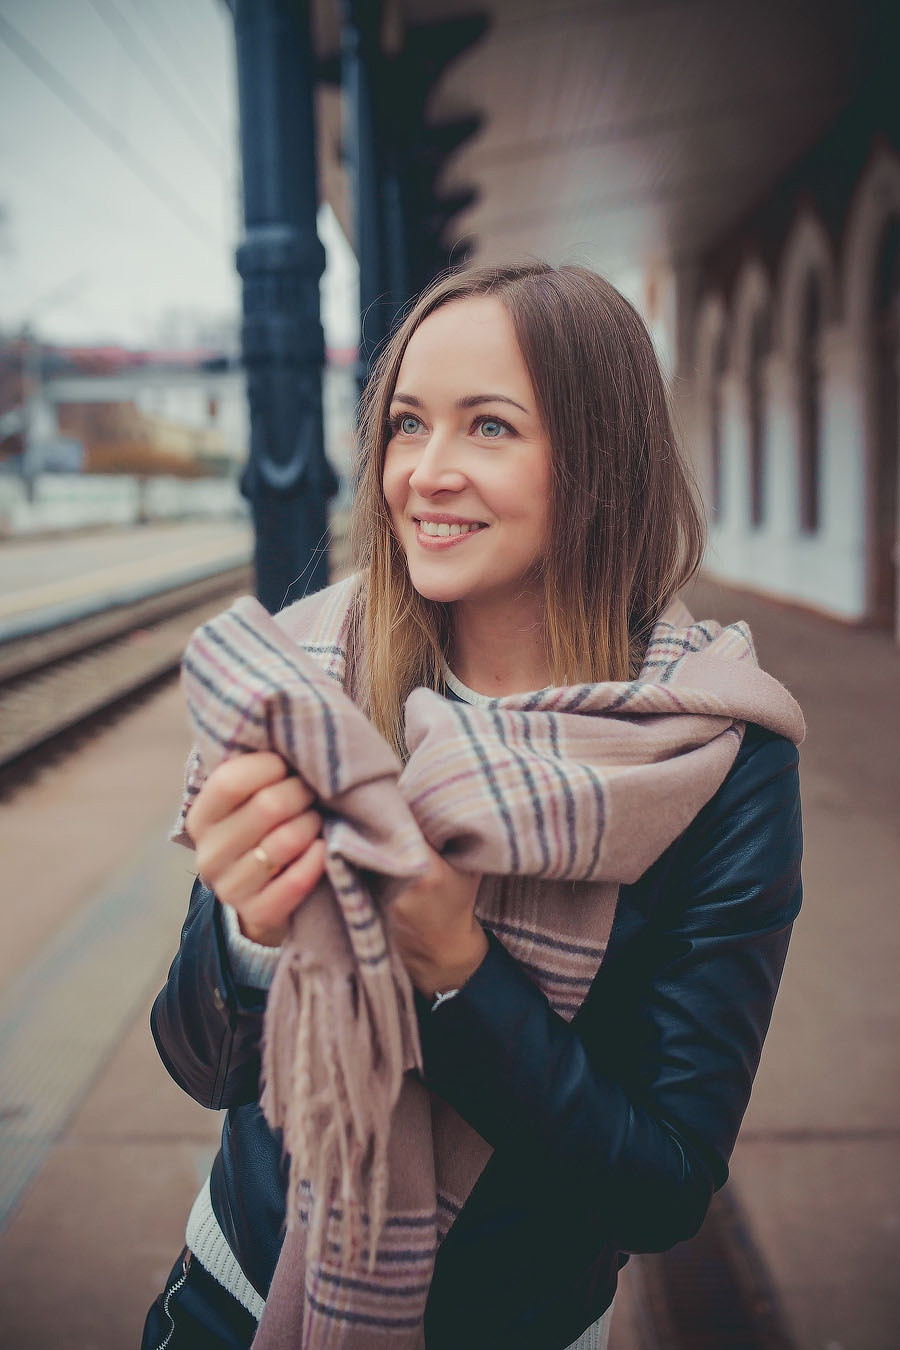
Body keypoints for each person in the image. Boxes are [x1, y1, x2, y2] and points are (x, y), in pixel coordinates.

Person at [142, 262, 803, 1350]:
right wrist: (249, 931)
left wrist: (459, 976)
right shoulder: (309, 682)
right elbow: (198, 1063)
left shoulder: (715, 757)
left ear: (600, 462)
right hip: (233, 1306)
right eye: (408, 424)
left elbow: (663, 1186)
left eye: (489, 426)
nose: (426, 473)